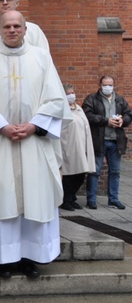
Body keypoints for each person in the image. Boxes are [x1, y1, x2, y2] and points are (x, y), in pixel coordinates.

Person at [0, 11, 70, 279]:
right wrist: (0, 125)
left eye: (17, 26)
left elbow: (56, 99)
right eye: (7, 26)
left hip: (33, 142)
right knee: (1, 196)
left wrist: (34, 125)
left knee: (34, 196)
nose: (12, 30)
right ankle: (1, 260)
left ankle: (31, 257)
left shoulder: (41, 57)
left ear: (26, 29)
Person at [82, 75, 132, 210]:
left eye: (110, 85)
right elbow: (87, 115)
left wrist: (123, 120)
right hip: (99, 140)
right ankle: (91, 199)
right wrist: (106, 121)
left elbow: (128, 114)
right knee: (95, 171)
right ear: (100, 85)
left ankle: (113, 199)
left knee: (115, 172)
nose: (108, 87)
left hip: (116, 141)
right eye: (105, 84)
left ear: (113, 85)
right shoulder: (92, 99)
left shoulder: (120, 100)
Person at [60, 83, 94, 211]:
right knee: (69, 174)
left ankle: (72, 197)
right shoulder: (62, 109)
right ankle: (66, 200)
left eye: (72, 92)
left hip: (82, 146)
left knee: (80, 174)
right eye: (68, 93)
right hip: (68, 146)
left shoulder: (79, 108)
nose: (71, 95)